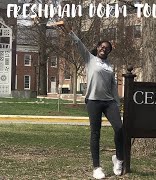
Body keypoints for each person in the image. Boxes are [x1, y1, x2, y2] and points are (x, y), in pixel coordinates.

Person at [57, 21, 124, 179]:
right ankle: (97, 167)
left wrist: (117, 103)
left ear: (109, 52)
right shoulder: (90, 59)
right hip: (93, 101)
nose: (103, 48)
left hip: (109, 103)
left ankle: (119, 159)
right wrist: (67, 29)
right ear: (98, 47)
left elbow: (113, 86)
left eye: (107, 48)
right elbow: (77, 42)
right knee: (96, 133)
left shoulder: (110, 66)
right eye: (102, 46)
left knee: (120, 128)